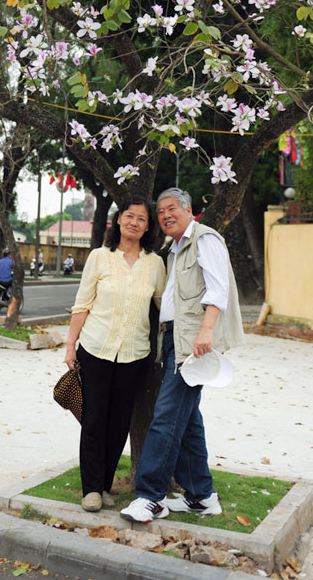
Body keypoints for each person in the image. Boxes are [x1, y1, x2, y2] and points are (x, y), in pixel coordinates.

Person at [120, 187, 244, 524]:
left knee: (166, 416)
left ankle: (151, 498)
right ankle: (202, 496)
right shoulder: (174, 249)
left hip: (193, 342)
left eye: (171, 208)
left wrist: (206, 331)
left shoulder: (205, 239)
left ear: (188, 209)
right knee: (187, 421)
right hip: (175, 339)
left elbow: (218, 289)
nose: (165, 216)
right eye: (160, 212)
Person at [65, 196, 166, 514]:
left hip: (135, 355)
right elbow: (82, 303)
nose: (135, 222)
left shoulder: (155, 263)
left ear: (148, 227)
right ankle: (91, 489)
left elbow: (164, 307)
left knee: (120, 422)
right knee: (94, 419)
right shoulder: (99, 257)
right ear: (118, 220)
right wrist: (70, 345)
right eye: (129, 216)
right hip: (96, 349)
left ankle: (105, 484)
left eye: (142, 219)